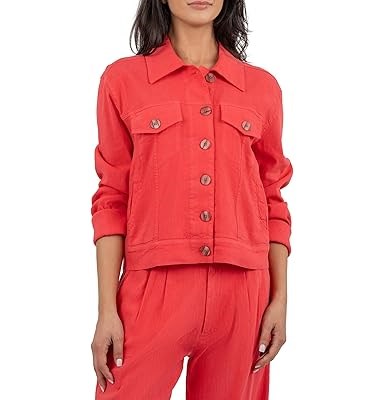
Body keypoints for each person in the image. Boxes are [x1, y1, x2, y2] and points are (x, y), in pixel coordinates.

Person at [90, 0, 293, 398]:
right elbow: (112, 197)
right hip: (152, 287)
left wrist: (280, 299)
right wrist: (106, 309)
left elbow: (273, 198)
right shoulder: (123, 81)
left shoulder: (262, 88)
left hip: (243, 290)